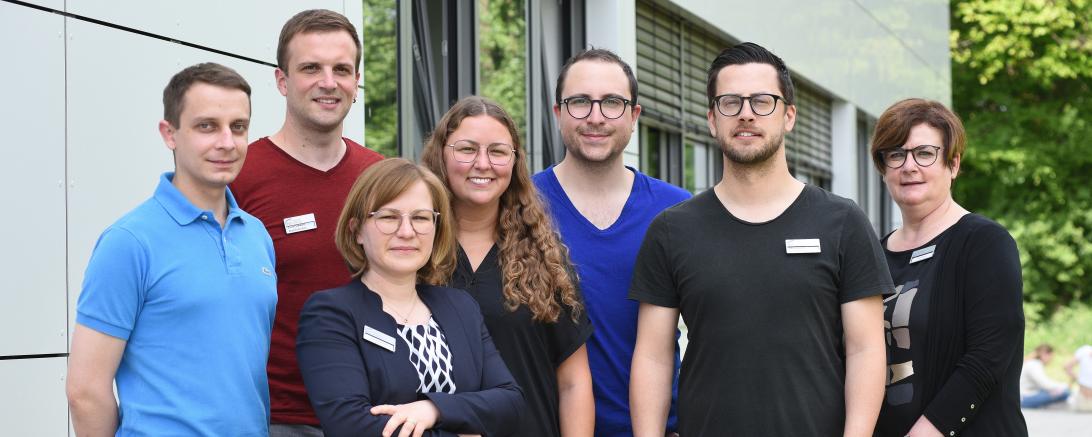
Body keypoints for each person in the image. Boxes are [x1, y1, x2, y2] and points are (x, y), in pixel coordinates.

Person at [629, 42, 891, 437]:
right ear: (712, 119)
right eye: (730, 102)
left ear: (788, 116)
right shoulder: (672, 230)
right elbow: (653, 356)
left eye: (762, 101)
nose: (746, 113)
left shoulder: (842, 222)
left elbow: (866, 350)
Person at [66, 63, 276, 436]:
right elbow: (85, 391)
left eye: (238, 127)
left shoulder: (256, 236)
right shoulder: (129, 242)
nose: (226, 142)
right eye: (206, 126)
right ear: (170, 134)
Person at [230, 9, 384, 435]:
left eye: (342, 69)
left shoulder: (381, 177)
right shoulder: (239, 176)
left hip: (374, 412)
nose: (328, 82)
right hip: (273, 416)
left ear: (356, 83)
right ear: (282, 81)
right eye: (310, 68)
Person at [296, 158, 524, 437]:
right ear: (356, 230)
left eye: (420, 218)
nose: (406, 232)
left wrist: (434, 409)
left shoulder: (461, 307)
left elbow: (510, 403)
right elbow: (351, 426)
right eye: (389, 217)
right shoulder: (331, 314)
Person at [532, 48, 690, 436]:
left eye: (613, 103)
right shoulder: (522, 205)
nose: (596, 117)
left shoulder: (677, 211)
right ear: (558, 113)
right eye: (580, 102)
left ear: (635, 116)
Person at [421, 96, 595, 437]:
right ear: (442, 154)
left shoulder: (544, 257)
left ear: (514, 162)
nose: (482, 164)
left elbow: (573, 383)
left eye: (498, 152)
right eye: (467, 149)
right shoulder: (414, 252)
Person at [869, 98, 1027, 436]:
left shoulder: (985, 243)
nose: (909, 166)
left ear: (952, 164)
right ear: (883, 169)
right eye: (895, 154)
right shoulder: (873, 253)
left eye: (925, 153)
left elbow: (987, 359)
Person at [1020, 344, 1070, 408]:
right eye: (1051, 356)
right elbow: (1045, 384)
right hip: (1024, 398)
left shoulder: (1032, 363)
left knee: (1055, 391)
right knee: (1065, 392)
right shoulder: (1034, 364)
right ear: (1045, 354)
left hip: (1026, 394)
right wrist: (1064, 386)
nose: (1051, 360)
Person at [1065, 344, 1092, 411]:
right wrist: (1079, 379)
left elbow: (1067, 367)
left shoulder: (1084, 350)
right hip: (1082, 399)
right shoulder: (1085, 350)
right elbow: (1067, 367)